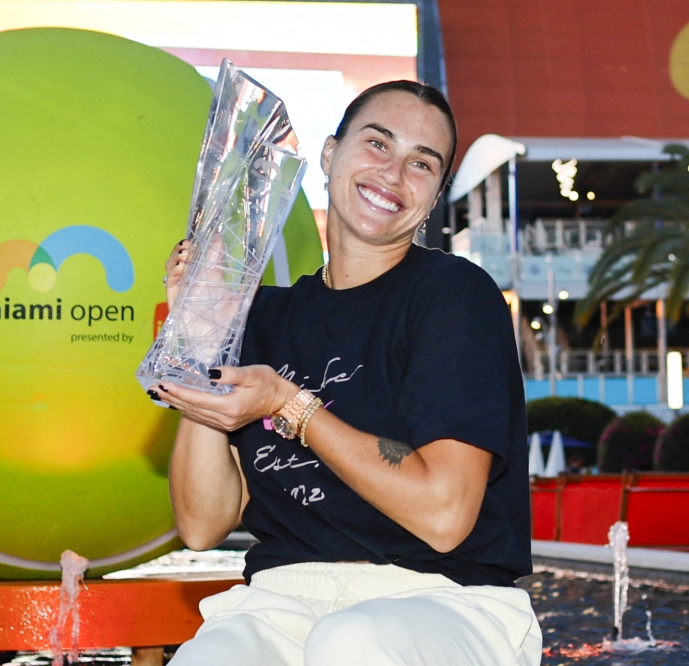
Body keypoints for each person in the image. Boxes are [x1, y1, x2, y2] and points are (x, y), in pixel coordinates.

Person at [147, 80, 542, 666]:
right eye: (378, 144)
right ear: (330, 155)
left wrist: (289, 404)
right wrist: (204, 339)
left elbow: (443, 515)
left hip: (439, 597)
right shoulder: (265, 316)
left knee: (350, 643)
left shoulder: (451, 296)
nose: (392, 173)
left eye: (421, 163)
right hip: (283, 600)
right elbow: (203, 525)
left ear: (434, 196)